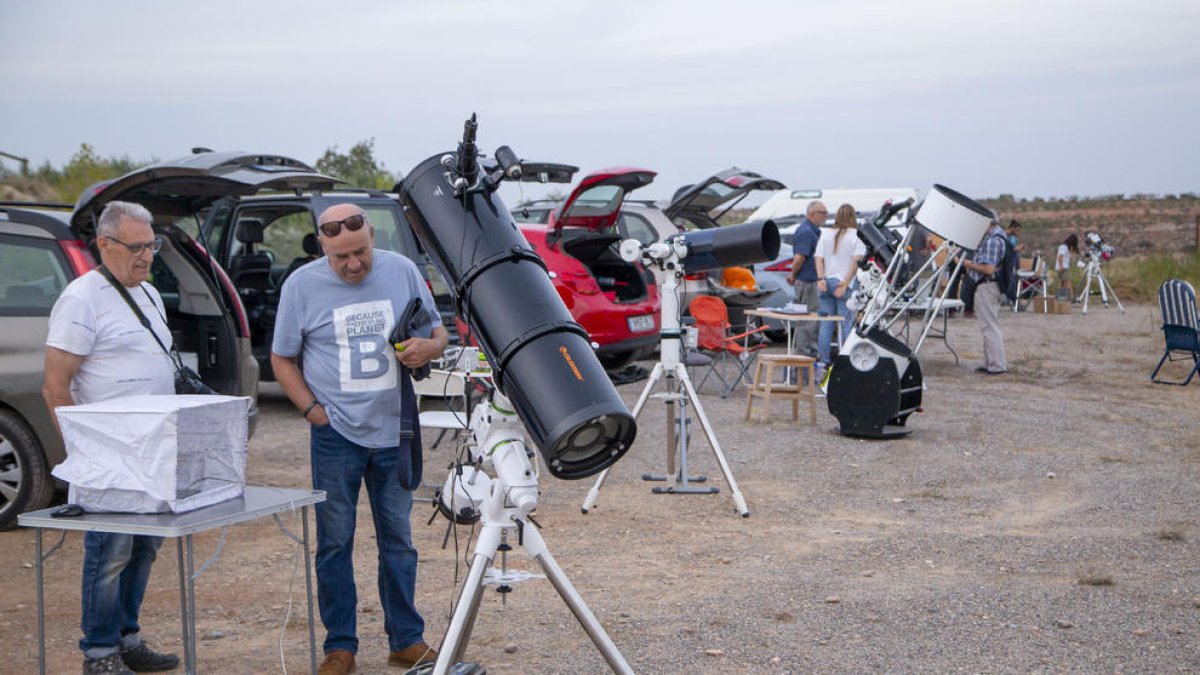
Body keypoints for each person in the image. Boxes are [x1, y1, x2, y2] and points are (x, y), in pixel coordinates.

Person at [270, 204, 449, 675]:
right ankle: (340, 647)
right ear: (322, 248)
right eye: (341, 257)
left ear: (372, 236)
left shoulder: (402, 270)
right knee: (335, 542)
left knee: (399, 541)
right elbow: (281, 358)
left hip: (395, 431)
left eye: (361, 252)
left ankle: (406, 640)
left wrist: (429, 348)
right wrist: (312, 410)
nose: (354, 264)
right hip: (336, 436)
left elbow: (438, 333)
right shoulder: (301, 286)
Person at [42, 201, 181, 675]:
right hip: (109, 458)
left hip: (153, 453)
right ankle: (99, 653)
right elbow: (55, 386)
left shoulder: (150, 293)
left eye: (152, 245)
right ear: (104, 244)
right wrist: (83, 457)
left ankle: (127, 638)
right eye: (136, 247)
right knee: (110, 553)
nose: (147, 256)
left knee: (144, 547)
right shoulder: (81, 299)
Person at [813, 203, 866, 372]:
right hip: (844, 284)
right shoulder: (856, 236)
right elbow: (856, 262)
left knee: (826, 323)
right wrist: (845, 282)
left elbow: (818, 258)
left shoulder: (826, 234)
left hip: (826, 282)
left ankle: (824, 362)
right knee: (846, 323)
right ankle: (845, 362)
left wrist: (821, 278)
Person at [962, 219, 1008, 375]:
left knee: (990, 327)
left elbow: (988, 269)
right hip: (991, 286)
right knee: (988, 325)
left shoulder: (992, 240)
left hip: (987, 286)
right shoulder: (999, 237)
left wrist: (968, 264)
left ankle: (996, 365)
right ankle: (989, 362)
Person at [784, 200, 826, 358]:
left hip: (811, 281)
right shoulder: (807, 232)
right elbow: (799, 257)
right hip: (807, 282)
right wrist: (792, 275)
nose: (825, 216)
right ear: (812, 214)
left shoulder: (812, 231)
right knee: (809, 318)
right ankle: (804, 354)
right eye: (823, 213)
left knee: (812, 318)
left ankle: (810, 352)